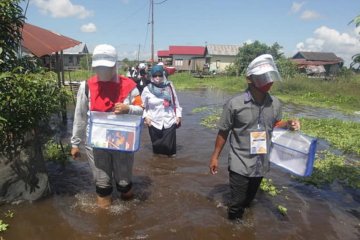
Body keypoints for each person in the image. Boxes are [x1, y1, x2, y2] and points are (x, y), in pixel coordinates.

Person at [208, 54, 300, 220]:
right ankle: (234, 227)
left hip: (260, 162)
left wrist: (288, 124)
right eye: (264, 77)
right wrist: (215, 157)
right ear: (250, 79)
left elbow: (274, 125)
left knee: (249, 200)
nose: (269, 81)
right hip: (240, 162)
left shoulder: (275, 103)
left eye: (270, 77)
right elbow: (223, 131)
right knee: (237, 203)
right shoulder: (234, 104)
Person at [70, 44, 143, 208]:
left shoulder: (130, 86)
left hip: (122, 143)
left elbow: (142, 110)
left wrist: (128, 108)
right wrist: (75, 143)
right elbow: (80, 116)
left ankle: (128, 215)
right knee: (103, 186)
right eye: (99, 67)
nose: (102, 71)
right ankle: (104, 226)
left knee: (124, 184)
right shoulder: (86, 87)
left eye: (107, 67)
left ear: (115, 65)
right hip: (96, 144)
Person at [141, 65, 182, 157]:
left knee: (171, 152)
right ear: (151, 76)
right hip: (154, 122)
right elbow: (143, 107)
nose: (157, 78)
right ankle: (157, 169)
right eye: (155, 75)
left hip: (169, 121)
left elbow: (176, 103)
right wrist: (146, 117)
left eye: (159, 75)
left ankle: (171, 169)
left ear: (163, 75)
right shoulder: (147, 89)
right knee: (157, 151)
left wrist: (178, 116)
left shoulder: (169, 86)